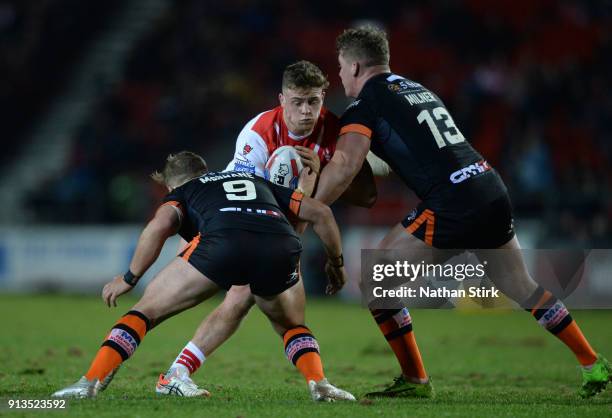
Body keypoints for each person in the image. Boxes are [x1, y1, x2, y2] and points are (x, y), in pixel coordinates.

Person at [312, 25, 611, 399]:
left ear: (355, 66)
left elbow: (343, 166)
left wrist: (310, 209)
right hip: (489, 187)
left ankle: (416, 380)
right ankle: (591, 363)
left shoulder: (365, 104)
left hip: (454, 203)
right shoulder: (417, 89)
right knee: (521, 287)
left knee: (376, 278)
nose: (339, 75)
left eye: (340, 66)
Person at [51, 151, 356, 402]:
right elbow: (322, 214)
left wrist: (129, 278)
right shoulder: (252, 179)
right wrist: (337, 265)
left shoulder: (183, 193)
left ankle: (89, 381)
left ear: (171, 185)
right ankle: (320, 384)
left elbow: (158, 227)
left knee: (144, 313)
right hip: (280, 245)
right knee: (291, 326)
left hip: (223, 244)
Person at [153, 60, 380, 397]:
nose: (305, 112)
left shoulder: (338, 133)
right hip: (245, 227)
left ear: (324, 96)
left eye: (313, 102)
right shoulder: (257, 133)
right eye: (297, 102)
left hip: (287, 232)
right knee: (243, 299)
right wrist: (308, 186)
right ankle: (173, 371)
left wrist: (329, 170)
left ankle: (176, 372)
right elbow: (251, 207)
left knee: (270, 312)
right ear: (281, 99)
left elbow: (367, 195)